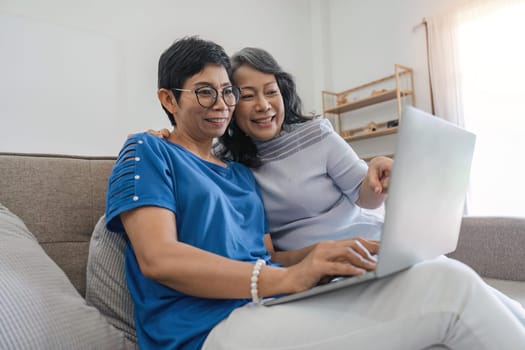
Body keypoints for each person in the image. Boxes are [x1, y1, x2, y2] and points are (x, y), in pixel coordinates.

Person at [108, 36, 525, 350]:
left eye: (226, 91)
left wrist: (324, 254)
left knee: (448, 273)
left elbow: (267, 255)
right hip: (204, 330)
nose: (221, 103)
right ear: (168, 99)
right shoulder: (147, 150)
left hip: (264, 304)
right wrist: (287, 277)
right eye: (204, 91)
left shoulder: (238, 174)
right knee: (446, 289)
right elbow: (159, 258)